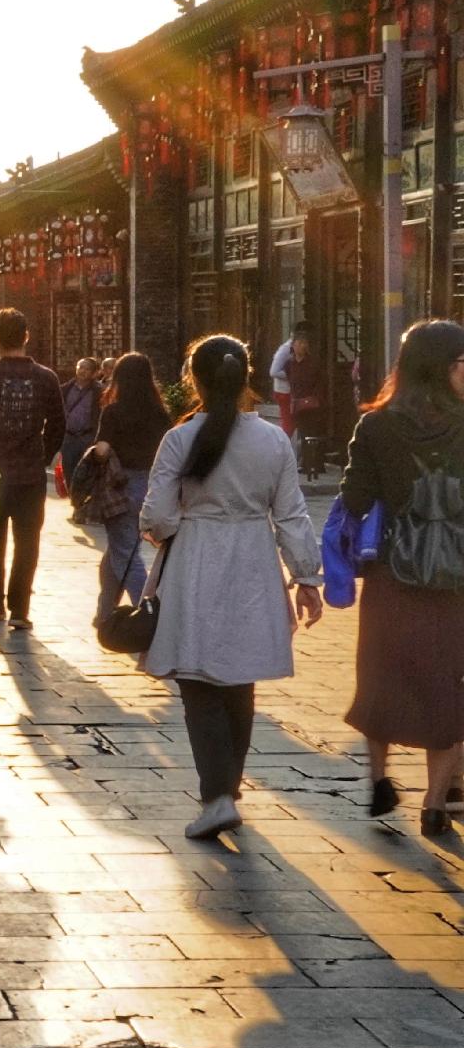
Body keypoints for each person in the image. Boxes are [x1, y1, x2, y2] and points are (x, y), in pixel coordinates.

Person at [141, 336, 325, 842]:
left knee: (198, 681)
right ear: (246, 377)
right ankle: (229, 788)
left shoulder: (180, 439)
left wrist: (172, 527)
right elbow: (290, 514)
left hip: (196, 560)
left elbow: (156, 515)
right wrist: (307, 577)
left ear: (194, 380)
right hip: (252, 561)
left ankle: (217, 796)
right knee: (239, 680)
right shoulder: (271, 441)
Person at [341, 319, 464, 835]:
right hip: (457, 579)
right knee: (448, 684)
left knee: (381, 678)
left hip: (393, 570)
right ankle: (435, 803)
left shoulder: (376, 425)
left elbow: (353, 498)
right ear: (444, 367)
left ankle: (378, 780)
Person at [0, 308, 66, 631]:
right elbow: (58, 424)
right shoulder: (46, 378)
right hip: (30, 475)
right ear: (26, 336)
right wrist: (44, 454)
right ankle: (20, 610)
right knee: (27, 544)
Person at [81, 352, 169, 629]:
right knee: (119, 552)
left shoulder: (114, 411)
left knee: (127, 556)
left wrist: (92, 456)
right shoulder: (160, 413)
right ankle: (105, 612)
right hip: (152, 487)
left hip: (120, 488)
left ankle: (149, 616)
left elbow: (104, 449)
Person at [276, 327, 324, 477]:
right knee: (301, 433)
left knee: (309, 433)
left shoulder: (314, 363)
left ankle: (311, 464)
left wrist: (314, 398)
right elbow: (281, 373)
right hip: (296, 403)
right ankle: (306, 463)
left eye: (304, 343)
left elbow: (321, 382)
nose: (302, 346)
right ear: (293, 345)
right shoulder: (290, 363)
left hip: (311, 403)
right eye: (299, 343)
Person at [60, 357, 101, 497]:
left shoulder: (99, 391)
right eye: (80, 367)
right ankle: (74, 500)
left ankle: (83, 502)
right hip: (68, 436)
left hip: (88, 436)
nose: (82, 371)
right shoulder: (65, 389)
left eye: (87, 368)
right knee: (69, 470)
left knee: (87, 471)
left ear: (94, 373)